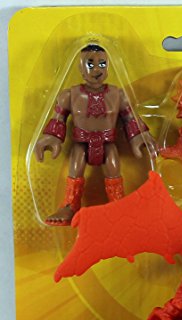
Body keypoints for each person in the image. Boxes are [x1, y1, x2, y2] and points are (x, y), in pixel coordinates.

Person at [35, 44, 157, 226]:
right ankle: (69, 205)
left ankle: (118, 206)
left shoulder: (117, 95)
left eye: (102, 64)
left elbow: (130, 117)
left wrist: (139, 135)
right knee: (76, 166)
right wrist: (52, 137)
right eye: (90, 64)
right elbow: (58, 118)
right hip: (81, 144)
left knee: (113, 168)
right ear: (80, 67)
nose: (97, 70)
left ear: (108, 66)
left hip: (108, 145)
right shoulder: (70, 95)